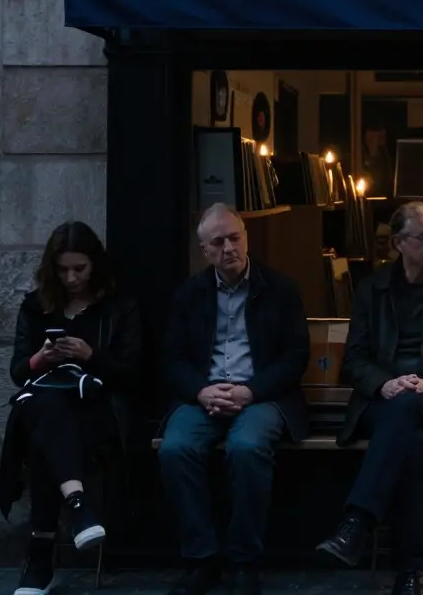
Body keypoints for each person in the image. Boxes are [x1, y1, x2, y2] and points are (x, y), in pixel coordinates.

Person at [316, 202, 423, 595]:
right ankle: (409, 572)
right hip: (384, 403)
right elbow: (353, 359)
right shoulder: (372, 289)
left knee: (407, 414)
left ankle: (356, 523)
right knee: (411, 440)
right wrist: (384, 385)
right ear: (399, 243)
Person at [156, 204, 309, 595]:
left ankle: (244, 562)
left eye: (235, 237)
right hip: (202, 398)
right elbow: (171, 359)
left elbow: (295, 358)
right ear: (205, 250)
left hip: (260, 396)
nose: (229, 247)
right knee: (175, 449)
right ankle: (201, 560)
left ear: (246, 238)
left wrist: (250, 391)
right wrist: (200, 391)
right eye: (218, 242)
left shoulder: (280, 289)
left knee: (246, 447)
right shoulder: (190, 294)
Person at [0, 221, 141, 595]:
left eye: (80, 269)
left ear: (95, 265)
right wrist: (40, 359)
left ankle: (40, 558)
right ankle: (79, 507)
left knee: (45, 438)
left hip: (97, 409)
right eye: (63, 270)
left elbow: (133, 372)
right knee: (47, 413)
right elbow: (18, 372)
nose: (72, 278)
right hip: (46, 406)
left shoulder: (119, 307)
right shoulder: (36, 306)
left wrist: (92, 355)